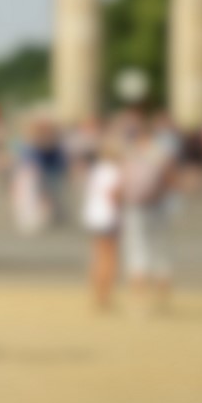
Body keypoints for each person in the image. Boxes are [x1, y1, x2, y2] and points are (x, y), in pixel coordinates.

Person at [117, 107, 179, 310]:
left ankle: (140, 299)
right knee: (161, 250)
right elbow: (171, 179)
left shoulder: (130, 152)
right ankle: (162, 298)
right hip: (158, 205)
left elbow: (122, 180)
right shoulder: (160, 151)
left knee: (137, 250)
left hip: (135, 206)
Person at [81, 132, 122, 312]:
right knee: (109, 257)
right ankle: (104, 296)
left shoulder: (97, 170)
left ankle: (98, 294)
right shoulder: (114, 171)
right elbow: (114, 195)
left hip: (94, 216)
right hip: (109, 216)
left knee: (97, 256)